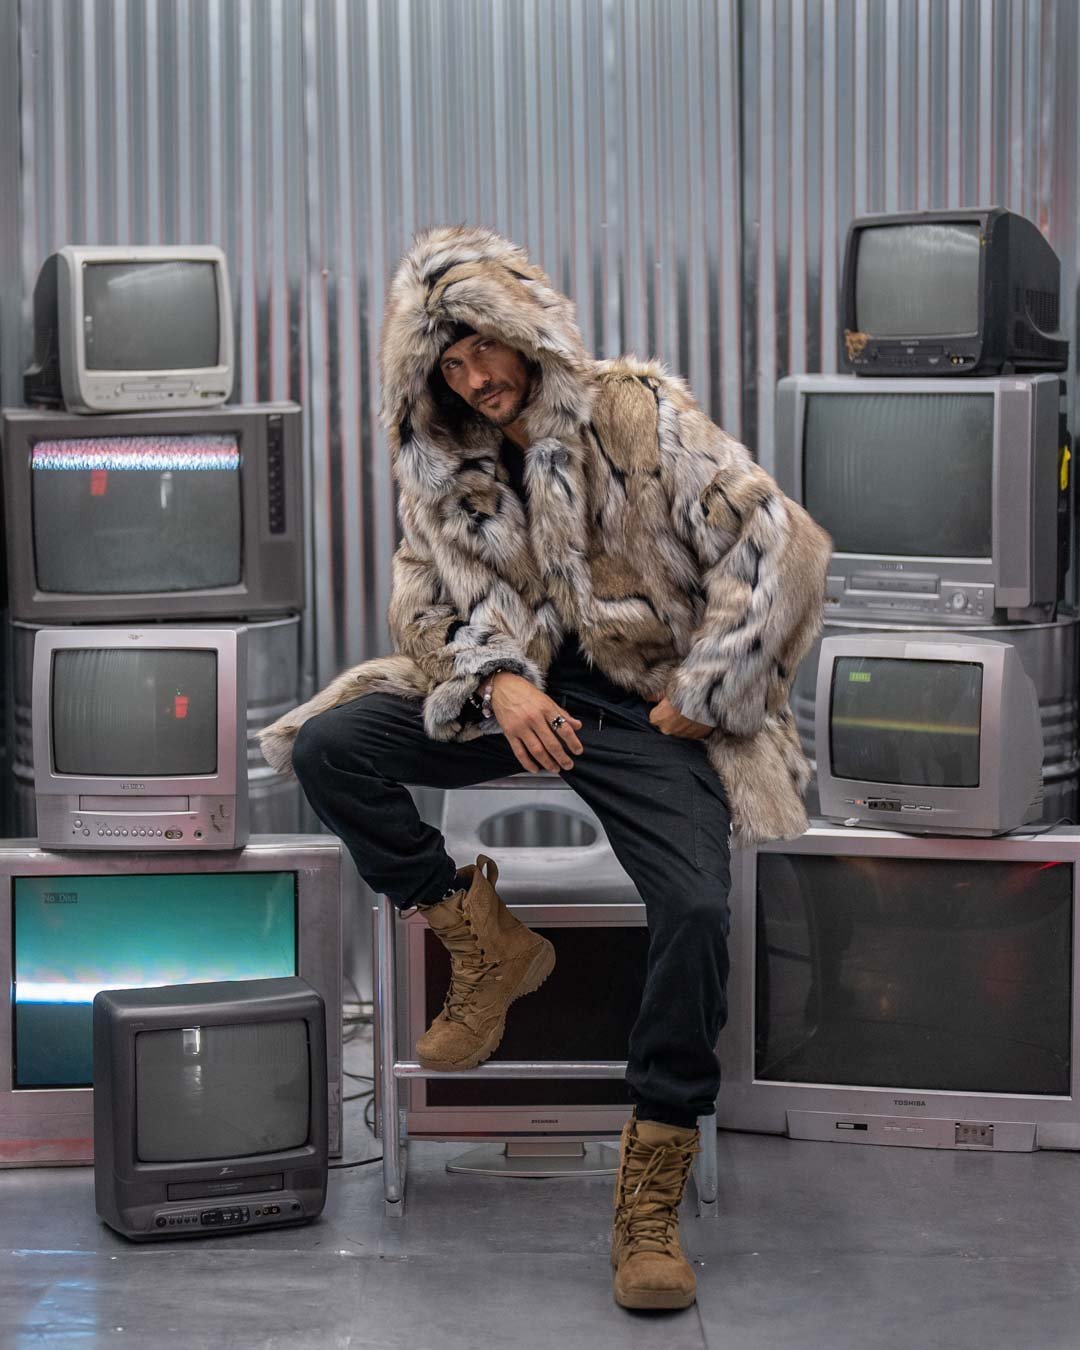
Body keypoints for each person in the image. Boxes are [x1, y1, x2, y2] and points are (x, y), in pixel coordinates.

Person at [259, 225, 831, 1312]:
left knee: (697, 907)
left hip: (641, 710)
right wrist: (497, 682)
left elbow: (779, 547)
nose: (475, 380)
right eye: (450, 365)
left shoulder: (629, 410)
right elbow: (424, 606)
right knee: (335, 748)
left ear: (526, 329)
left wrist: (702, 693)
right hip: (512, 698)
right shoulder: (439, 462)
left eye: (484, 349)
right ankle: (486, 945)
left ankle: (651, 1186)